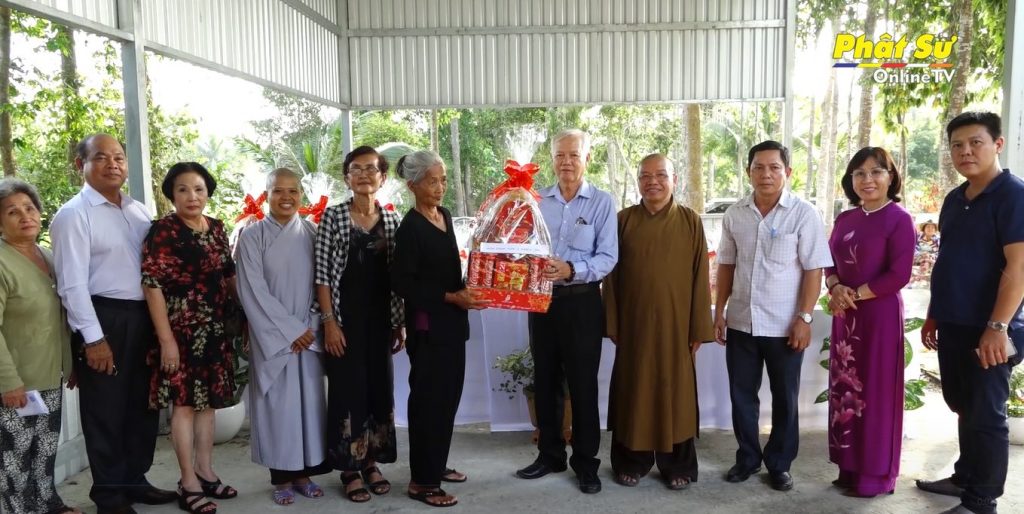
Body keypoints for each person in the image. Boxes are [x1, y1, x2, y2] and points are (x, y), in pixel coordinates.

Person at [50, 134, 177, 514]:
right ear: (80, 165)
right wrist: (93, 340)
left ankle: (134, 481)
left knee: (142, 405)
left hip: (144, 317)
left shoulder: (137, 210)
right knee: (105, 410)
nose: (113, 164)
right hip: (104, 318)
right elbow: (71, 285)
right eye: (101, 157)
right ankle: (109, 495)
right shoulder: (74, 215)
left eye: (119, 157)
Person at [918, 112, 1024, 514]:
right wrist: (934, 313)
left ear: (997, 144)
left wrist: (997, 327)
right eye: (957, 145)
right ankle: (965, 475)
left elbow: (1019, 269)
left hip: (992, 327)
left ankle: (982, 500)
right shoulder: (955, 199)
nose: (966, 151)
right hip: (954, 321)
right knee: (962, 403)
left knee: (986, 414)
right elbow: (949, 260)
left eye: (975, 142)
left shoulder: (1014, 195)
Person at [714, 140, 832, 492]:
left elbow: (814, 270)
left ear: (787, 172)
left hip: (785, 326)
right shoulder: (735, 213)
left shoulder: (804, 214)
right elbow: (726, 265)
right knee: (742, 396)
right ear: (748, 172)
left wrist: (805, 318)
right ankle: (747, 459)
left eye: (774, 167)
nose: (766, 174)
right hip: (740, 323)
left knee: (784, 397)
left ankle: (779, 463)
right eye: (758, 167)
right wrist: (719, 312)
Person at [515, 128, 618, 494]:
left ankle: (586, 463)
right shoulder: (535, 199)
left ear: (586, 159)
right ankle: (550, 454)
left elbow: (608, 257)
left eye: (574, 155)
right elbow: (520, 246)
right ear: (552, 159)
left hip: (582, 302)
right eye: (560, 155)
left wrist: (572, 269)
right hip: (541, 302)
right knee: (545, 381)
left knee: (583, 384)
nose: (567, 162)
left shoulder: (602, 202)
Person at [603, 154, 714, 490]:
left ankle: (676, 464)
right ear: (637, 181)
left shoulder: (690, 221)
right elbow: (610, 278)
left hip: (676, 327)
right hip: (633, 326)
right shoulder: (622, 221)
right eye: (645, 175)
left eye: (661, 175)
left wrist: (697, 328)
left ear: (674, 179)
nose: (653, 181)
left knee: (675, 393)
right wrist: (614, 324)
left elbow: (700, 277)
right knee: (633, 391)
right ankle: (631, 461)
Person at [392, 150, 488, 507]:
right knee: (429, 403)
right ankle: (423, 482)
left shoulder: (444, 215)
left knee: (447, 400)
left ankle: (436, 463)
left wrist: (473, 286)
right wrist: (450, 297)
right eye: (432, 181)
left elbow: (450, 270)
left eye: (443, 179)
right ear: (412, 185)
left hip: (452, 326)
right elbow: (403, 283)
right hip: (429, 327)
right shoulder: (410, 228)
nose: (440, 186)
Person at [141, 162, 238, 514]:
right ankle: (187, 480)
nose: (191, 196)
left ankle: (205, 469)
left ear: (208, 192)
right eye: (182, 189)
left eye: (198, 189)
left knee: (207, 405)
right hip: (179, 333)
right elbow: (151, 287)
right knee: (182, 407)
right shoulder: (163, 232)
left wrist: (243, 316)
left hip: (214, 331)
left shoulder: (216, 229)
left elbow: (229, 276)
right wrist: (166, 340)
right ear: (172, 194)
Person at [313, 146, 404, 502]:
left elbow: (397, 279)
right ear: (347, 177)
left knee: (379, 389)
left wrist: (399, 324)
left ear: (382, 177)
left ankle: (371, 462)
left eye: (372, 169)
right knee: (348, 392)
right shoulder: (333, 217)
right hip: (344, 321)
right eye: (357, 169)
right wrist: (329, 322)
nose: (365, 174)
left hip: (381, 321)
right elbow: (322, 276)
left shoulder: (393, 221)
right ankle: (349, 469)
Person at [824, 147, 915, 497]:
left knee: (875, 393)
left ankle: (875, 475)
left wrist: (854, 294)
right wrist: (835, 287)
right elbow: (828, 262)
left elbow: (899, 274)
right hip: (845, 317)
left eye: (876, 172)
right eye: (859, 173)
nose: (867, 179)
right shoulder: (845, 220)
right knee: (845, 389)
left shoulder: (899, 219)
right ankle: (849, 468)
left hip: (879, 318)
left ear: (891, 176)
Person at [237, 168, 330, 505]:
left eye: (293, 191)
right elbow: (252, 290)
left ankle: (304, 473)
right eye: (278, 191)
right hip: (274, 337)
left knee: (308, 405)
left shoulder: (312, 231)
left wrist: (311, 326)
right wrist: (292, 331)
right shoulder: (252, 236)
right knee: (277, 405)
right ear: (267, 194)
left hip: (309, 331)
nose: (286, 197)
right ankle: (281, 477)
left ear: (301, 196)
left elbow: (323, 285)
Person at [0, 179, 80, 514]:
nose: (24, 216)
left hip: (49, 375)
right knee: (15, 457)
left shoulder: (45, 255)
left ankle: (47, 503)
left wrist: (70, 364)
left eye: (29, 208)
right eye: (12, 211)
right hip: (17, 382)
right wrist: (8, 382)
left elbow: (59, 317)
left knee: (45, 449)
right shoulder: (3, 262)